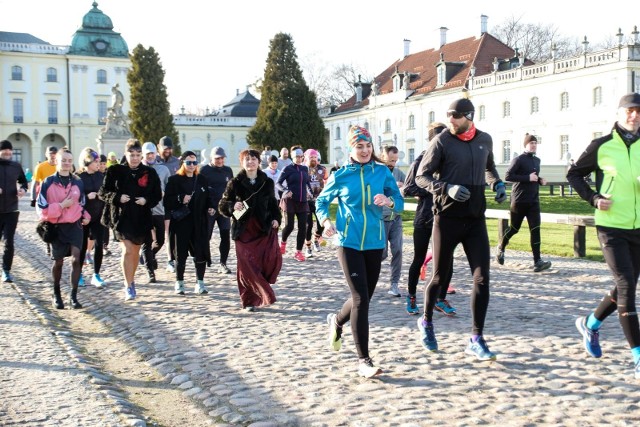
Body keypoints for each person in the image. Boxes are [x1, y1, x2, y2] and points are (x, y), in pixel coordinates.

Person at [414, 98, 506, 360]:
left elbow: (489, 168)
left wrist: (496, 184)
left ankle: (476, 338)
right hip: (447, 217)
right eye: (448, 115)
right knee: (440, 276)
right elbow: (422, 176)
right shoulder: (442, 141)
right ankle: (427, 322)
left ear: (469, 116)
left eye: (455, 116)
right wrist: (447, 188)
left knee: (482, 278)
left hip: (475, 218)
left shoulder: (485, 139)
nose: (450, 120)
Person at [317, 125, 403, 378]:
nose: (365, 150)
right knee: (360, 299)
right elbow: (321, 201)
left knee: (363, 297)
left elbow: (399, 202)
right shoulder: (341, 175)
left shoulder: (382, 173)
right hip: (348, 243)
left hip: (376, 243)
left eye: (368, 146)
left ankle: (336, 321)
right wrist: (325, 221)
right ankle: (364, 360)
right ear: (351, 149)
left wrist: (389, 202)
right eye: (359, 146)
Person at [569, 92, 640, 379]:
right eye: (630, 111)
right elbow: (575, 174)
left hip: (639, 227)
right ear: (619, 113)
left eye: (639, 111)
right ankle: (638, 356)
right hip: (611, 226)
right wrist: (594, 198)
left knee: (627, 285)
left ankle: (590, 323)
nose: (634, 116)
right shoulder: (602, 146)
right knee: (626, 285)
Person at [402, 123, 457, 316]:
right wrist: (433, 190)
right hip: (425, 217)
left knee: (447, 261)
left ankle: (440, 299)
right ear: (433, 140)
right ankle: (411, 296)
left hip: (446, 217)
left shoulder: (450, 161)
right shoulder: (420, 160)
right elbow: (408, 188)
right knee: (418, 259)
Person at [219, 149, 282, 312]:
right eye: (247, 159)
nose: (250, 162)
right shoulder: (235, 182)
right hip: (243, 231)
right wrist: (233, 206)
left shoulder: (267, 182)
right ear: (242, 162)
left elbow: (273, 205)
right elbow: (222, 206)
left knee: (263, 263)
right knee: (246, 265)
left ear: (259, 162)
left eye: (254, 159)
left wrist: (276, 219)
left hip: (262, 230)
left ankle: (260, 291)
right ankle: (248, 300)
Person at [99, 138, 162, 301]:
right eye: (131, 154)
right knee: (127, 250)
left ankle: (131, 280)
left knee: (134, 251)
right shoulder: (115, 171)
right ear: (125, 154)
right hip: (121, 217)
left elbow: (157, 195)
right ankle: (128, 285)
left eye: (137, 154)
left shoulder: (150, 173)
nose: (135, 158)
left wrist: (146, 200)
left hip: (140, 218)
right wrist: (117, 197)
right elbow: (103, 192)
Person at [36, 148, 90, 309]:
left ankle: (73, 296)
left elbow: (82, 204)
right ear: (57, 162)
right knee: (58, 262)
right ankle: (56, 293)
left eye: (69, 160)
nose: (67, 163)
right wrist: (60, 206)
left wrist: (86, 215)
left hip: (74, 225)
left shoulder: (78, 182)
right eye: (63, 160)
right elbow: (41, 210)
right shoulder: (48, 183)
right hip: (56, 226)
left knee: (76, 258)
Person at [496, 133, 552, 272]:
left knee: (535, 229)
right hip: (519, 200)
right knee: (514, 229)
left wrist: (540, 180)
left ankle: (537, 261)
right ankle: (501, 247)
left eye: (535, 143)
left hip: (533, 201)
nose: (533, 145)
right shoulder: (518, 159)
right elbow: (508, 176)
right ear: (525, 145)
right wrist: (528, 178)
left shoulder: (537, 160)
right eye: (531, 143)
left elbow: (534, 177)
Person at [164, 151, 213, 295]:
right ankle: (179, 282)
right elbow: (167, 201)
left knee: (200, 252)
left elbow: (208, 197)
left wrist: (210, 207)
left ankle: (200, 282)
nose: (192, 165)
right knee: (180, 254)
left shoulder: (202, 179)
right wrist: (180, 198)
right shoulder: (174, 180)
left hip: (199, 222)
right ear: (183, 163)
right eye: (189, 162)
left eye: (194, 162)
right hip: (181, 223)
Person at [200, 146, 234, 274]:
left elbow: (231, 189)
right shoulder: (204, 170)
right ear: (211, 158)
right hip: (210, 210)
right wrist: (207, 206)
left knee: (225, 236)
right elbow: (200, 190)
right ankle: (205, 259)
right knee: (206, 237)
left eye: (222, 158)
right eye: (217, 158)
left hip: (224, 209)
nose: (220, 160)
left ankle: (223, 263)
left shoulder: (227, 170)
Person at [76, 148, 107, 288]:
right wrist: (86, 197)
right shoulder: (79, 177)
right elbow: (74, 197)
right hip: (83, 217)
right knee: (82, 247)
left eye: (99, 161)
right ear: (87, 161)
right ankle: (79, 274)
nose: (98, 164)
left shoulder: (101, 176)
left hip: (98, 216)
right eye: (96, 161)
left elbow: (106, 193)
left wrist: (101, 196)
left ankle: (96, 274)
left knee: (99, 245)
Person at [141, 142, 171, 283]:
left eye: (152, 153)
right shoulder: (137, 169)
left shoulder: (163, 169)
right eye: (147, 154)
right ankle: (150, 272)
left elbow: (169, 187)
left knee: (160, 240)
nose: (150, 156)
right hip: (143, 211)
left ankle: (150, 256)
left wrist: (166, 193)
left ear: (156, 153)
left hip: (159, 209)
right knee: (147, 242)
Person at [0, 140, 28, 283]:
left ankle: (6, 270)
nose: (7, 153)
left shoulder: (16, 166)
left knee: (9, 242)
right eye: (4, 150)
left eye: (9, 150)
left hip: (12, 210)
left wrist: (23, 189)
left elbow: (24, 182)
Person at [276, 147, 311, 261]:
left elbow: (307, 183)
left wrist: (310, 192)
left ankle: (298, 252)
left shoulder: (305, 169)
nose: (299, 159)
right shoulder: (287, 168)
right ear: (292, 157)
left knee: (303, 227)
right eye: (297, 156)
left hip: (302, 202)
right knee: (289, 226)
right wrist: (285, 190)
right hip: (290, 201)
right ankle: (283, 242)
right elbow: (278, 183)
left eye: (301, 156)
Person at [380, 145, 406, 297]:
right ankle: (369, 276)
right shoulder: (377, 172)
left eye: (395, 161)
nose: (393, 164)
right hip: (380, 219)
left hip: (396, 218)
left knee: (397, 250)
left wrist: (403, 189)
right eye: (390, 160)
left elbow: (410, 187)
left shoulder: (398, 173)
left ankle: (394, 284)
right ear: (383, 157)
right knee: (381, 253)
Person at [156, 136, 180, 273]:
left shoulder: (177, 162)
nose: (167, 151)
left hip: (170, 203)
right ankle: (148, 253)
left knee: (169, 233)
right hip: (155, 203)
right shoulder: (154, 161)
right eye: (165, 148)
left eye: (170, 148)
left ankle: (170, 260)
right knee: (154, 235)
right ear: (159, 147)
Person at [303, 149, 328, 257]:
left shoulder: (322, 169)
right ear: (306, 158)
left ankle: (316, 239)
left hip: (319, 201)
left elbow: (328, 182)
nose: (313, 159)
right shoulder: (303, 169)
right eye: (311, 157)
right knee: (308, 225)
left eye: (314, 157)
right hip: (306, 201)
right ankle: (308, 248)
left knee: (321, 224)